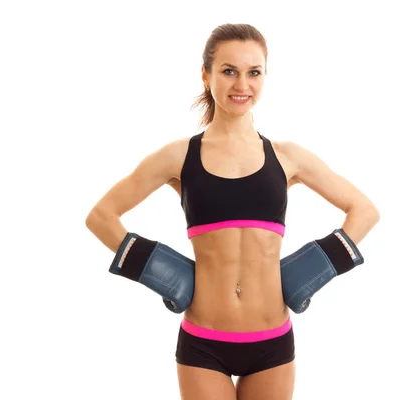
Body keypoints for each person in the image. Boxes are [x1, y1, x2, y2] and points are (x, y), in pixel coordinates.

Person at [85, 23, 380, 400]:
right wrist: (167, 274)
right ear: (206, 75)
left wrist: (308, 272)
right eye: (229, 71)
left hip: (272, 341)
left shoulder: (287, 157)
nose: (242, 85)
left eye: (253, 72)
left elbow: (364, 210)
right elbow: (101, 216)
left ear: (264, 76)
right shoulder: (179, 156)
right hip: (203, 343)